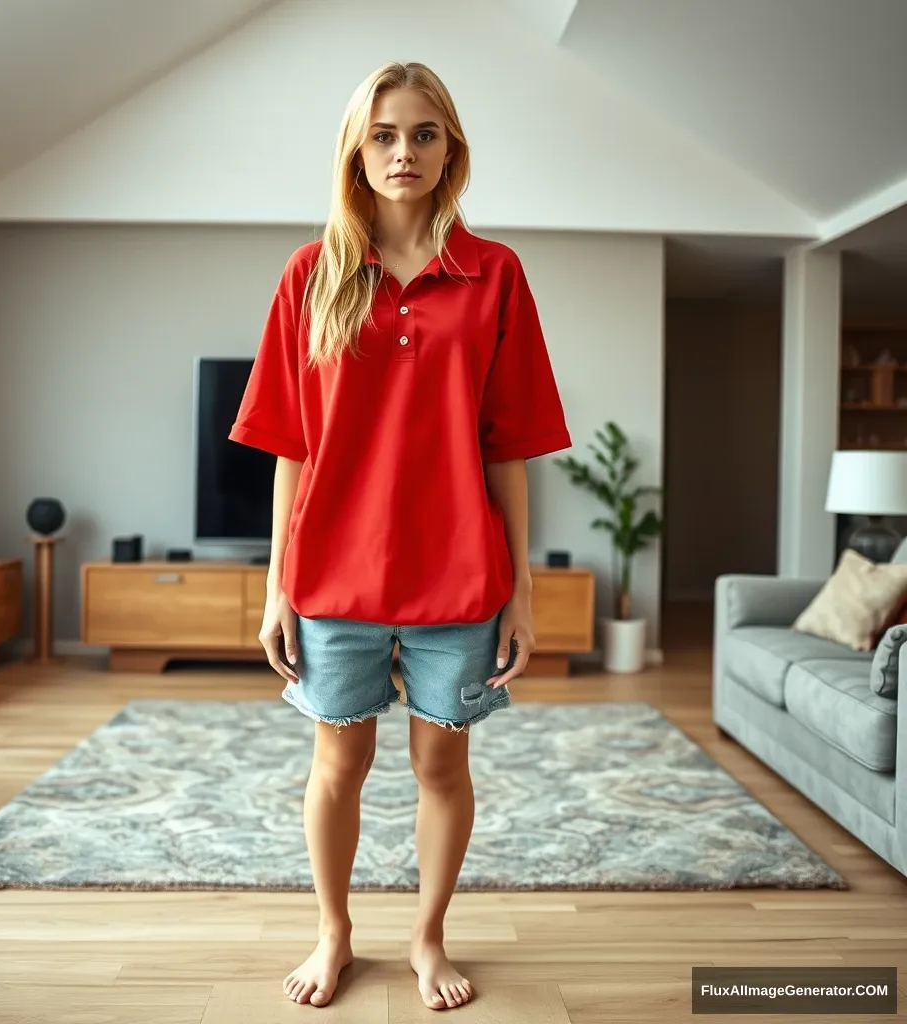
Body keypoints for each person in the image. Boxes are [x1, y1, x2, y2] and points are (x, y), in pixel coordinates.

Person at [229, 61, 571, 1011]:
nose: (403, 151)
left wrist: (523, 592)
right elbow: (287, 445)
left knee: (440, 764)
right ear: (356, 148)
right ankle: (334, 933)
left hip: (459, 575)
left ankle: (426, 938)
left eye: (423, 133)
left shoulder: (496, 274)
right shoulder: (312, 273)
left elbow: (511, 446)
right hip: (333, 573)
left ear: (450, 149)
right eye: (383, 134)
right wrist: (275, 587)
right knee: (338, 762)